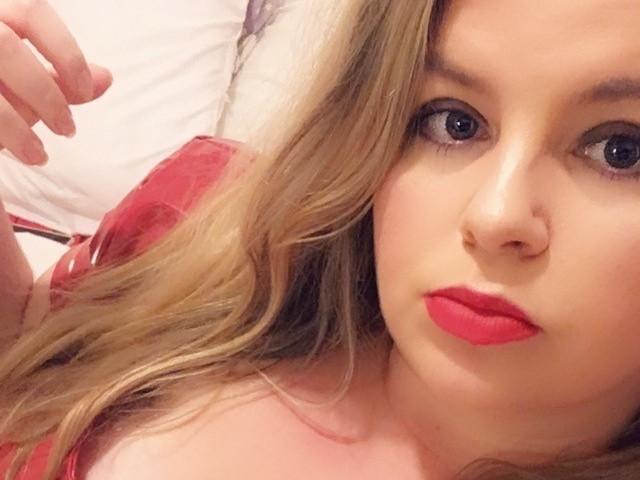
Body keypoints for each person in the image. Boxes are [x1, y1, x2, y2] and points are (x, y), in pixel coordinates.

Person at [3, 0, 640, 478]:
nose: (496, 217)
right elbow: (28, 344)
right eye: (454, 122)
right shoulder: (208, 227)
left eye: (621, 150)